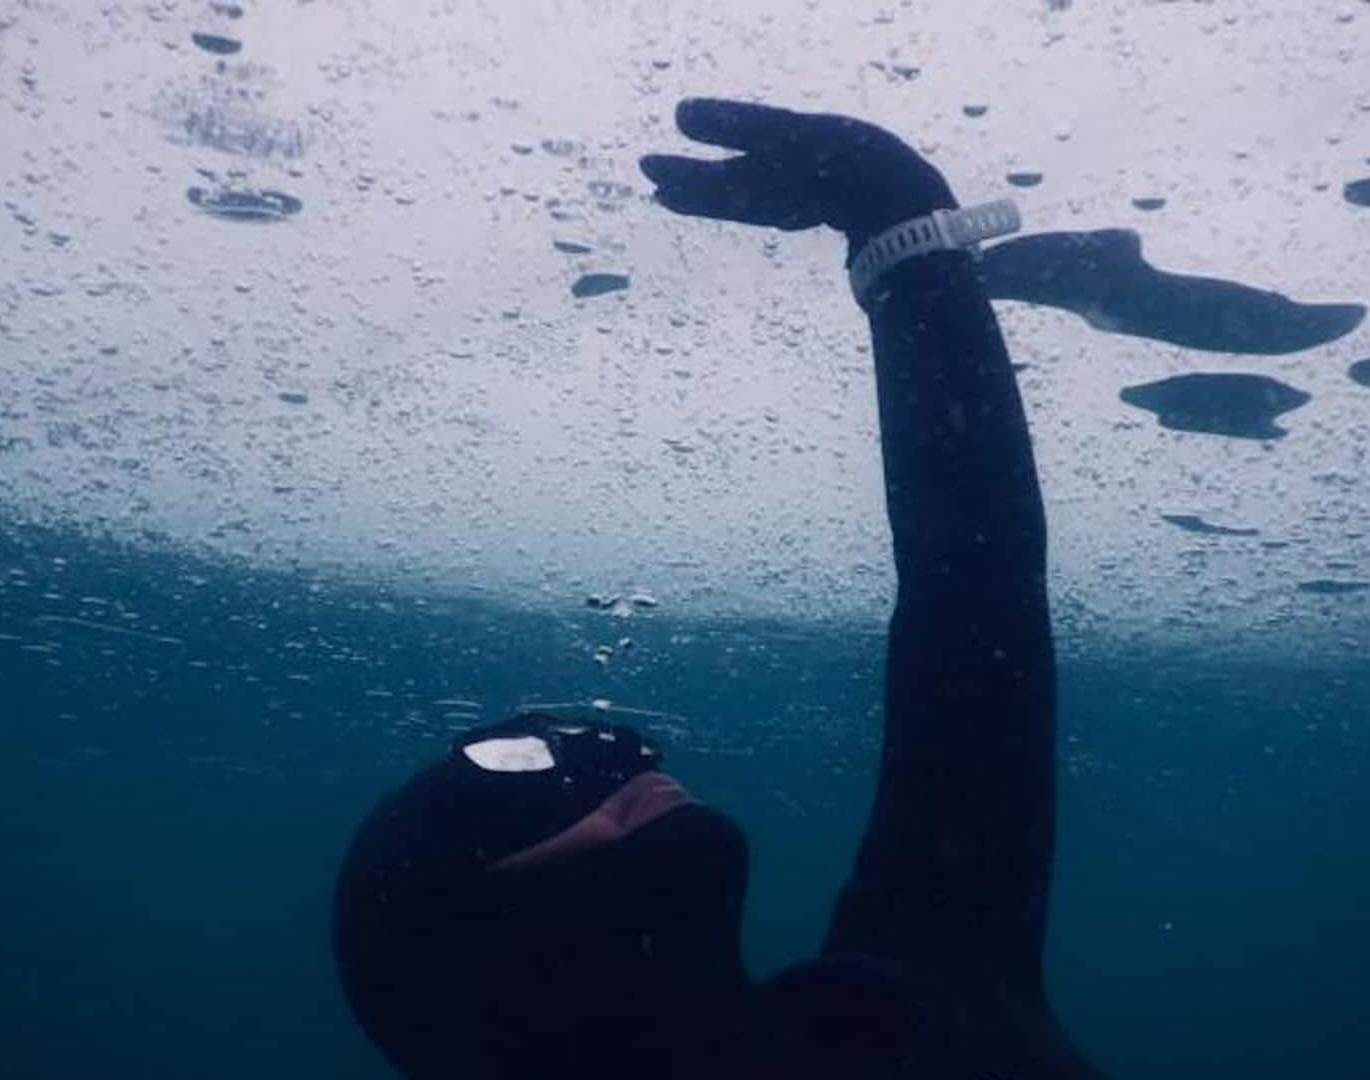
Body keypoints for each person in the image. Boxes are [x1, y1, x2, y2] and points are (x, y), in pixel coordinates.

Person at [333, 98, 1099, 1079]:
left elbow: (974, 597)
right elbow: (976, 599)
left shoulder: (895, 1004)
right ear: (458, 945)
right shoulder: (926, 995)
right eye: (521, 778)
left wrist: (902, 230)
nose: (622, 756)